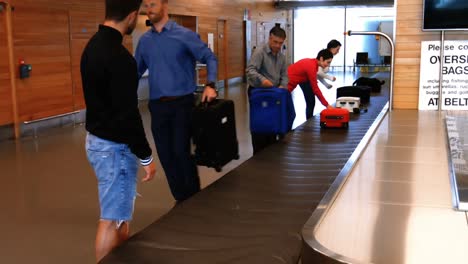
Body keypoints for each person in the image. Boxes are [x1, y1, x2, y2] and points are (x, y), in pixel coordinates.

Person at [80, 0, 156, 261]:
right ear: (132, 16)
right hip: (114, 150)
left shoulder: (91, 47)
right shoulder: (120, 58)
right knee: (112, 219)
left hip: (97, 141)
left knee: (120, 216)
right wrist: (146, 157)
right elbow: (128, 116)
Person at [135, 0, 218, 202]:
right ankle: (181, 199)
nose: (149, 9)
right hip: (157, 107)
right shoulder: (145, 41)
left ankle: (193, 199)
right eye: (146, 5)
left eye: (153, 4)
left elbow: (209, 57)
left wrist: (211, 84)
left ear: (165, 5)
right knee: (165, 155)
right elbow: (134, 72)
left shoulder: (184, 35)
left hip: (182, 105)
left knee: (181, 152)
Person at [246, 26, 289, 154]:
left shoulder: (282, 57)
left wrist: (282, 86)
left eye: (280, 43)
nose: (277, 45)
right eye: (275, 42)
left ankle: (271, 151)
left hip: (274, 94)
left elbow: (285, 75)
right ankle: (258, 154)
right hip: (258, 93)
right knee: (260, 124)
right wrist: (262, 80)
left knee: (272, 123)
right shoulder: (259, 52)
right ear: (269, 38)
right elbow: (250, 70)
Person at [288, 49, 335, 119]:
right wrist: (327, 105)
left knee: (290, 114)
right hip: (285, 87)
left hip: (287, 87)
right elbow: (315, 89)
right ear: (321, 58)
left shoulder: (312, 63)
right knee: (290, 115)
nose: (328, 65)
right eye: (328, 62)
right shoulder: (312, 67)